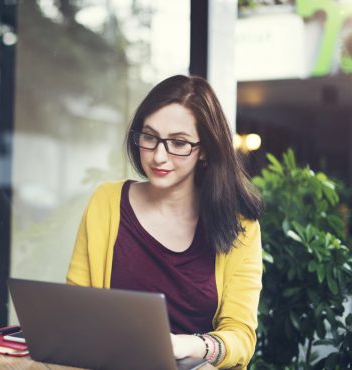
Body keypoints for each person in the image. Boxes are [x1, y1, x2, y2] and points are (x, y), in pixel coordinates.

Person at [66, 75, 263, 369]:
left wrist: (190, 346)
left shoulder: (240, 224)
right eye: (150, 137)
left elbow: (241, 338)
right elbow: (75, 308)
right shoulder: (106, 201)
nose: (159, 156)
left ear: (205, 149)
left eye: (179, 143)